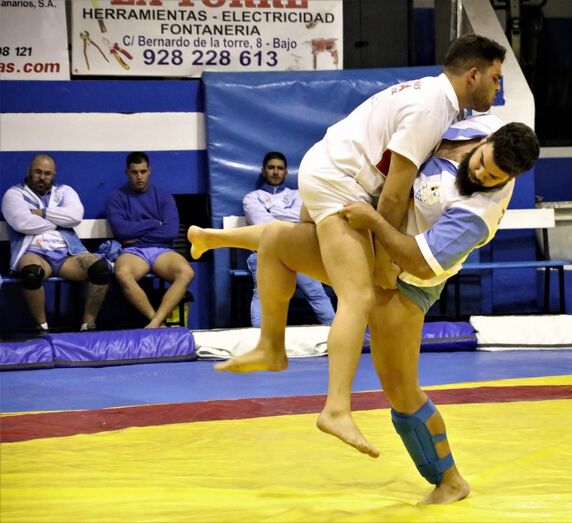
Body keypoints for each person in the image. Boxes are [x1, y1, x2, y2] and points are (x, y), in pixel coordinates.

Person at [188, 115, 540, 504]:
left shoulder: (477, 215)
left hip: (406, 281)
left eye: (494, 178)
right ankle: (264, 333)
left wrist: (374, 219)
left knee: (401, 391)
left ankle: (451, 480)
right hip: (378, 246)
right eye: (482, 163)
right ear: (487, 139)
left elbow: (419, 263)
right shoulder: (468, 125)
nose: (482, 175)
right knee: (279, 240)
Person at [211, 33, 507, 458]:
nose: (498, 88)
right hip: (341, 183)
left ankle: (270, 343)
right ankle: (336, 408)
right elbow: (393, 194)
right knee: (359, 296)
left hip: (329, 168)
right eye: (495, 78)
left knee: (288, 243)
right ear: (473, 74)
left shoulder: (436, 99)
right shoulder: (433, 106)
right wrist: (385, 259)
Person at [1, 154, 112, 333]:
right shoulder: (14, 194)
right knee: (31, 273)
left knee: (100, 268)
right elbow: (22, 223)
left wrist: (42, 213)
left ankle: (88, 325)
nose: (42, 177)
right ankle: (42, 328)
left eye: (47, 174)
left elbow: (75, 216)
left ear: (54, 175)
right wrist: (60, 221)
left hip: (68, 253)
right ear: (28, 171)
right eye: (38, 172)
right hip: (33, 252)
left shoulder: (65, 191)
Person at [243, 151, 335, 327]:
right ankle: (259, 336)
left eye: (280, 168)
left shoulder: (299, 195)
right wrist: (290, 218)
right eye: (271, 167)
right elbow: (263, 225)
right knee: (263, 295)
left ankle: (335, 330)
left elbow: (305, 219)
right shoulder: (252, 198)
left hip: (298, 253)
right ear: (263, 171)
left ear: (286, 172)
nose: (275, 172)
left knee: (317, 293)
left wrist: (273, 212)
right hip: (266, 253)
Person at [105, 151, 195, 329]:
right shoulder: (116, 197)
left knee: (186, 273)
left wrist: (136, 236)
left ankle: (154, 324)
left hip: (162, 250)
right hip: (133, 251)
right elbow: (121, 230)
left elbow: (170, 231)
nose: (139, 176)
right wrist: (154, 223)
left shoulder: (164, 196)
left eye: (143, 171)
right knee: (123, 274)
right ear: (127, 173)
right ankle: (157, 322)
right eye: (134, 172)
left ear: (149, 171)